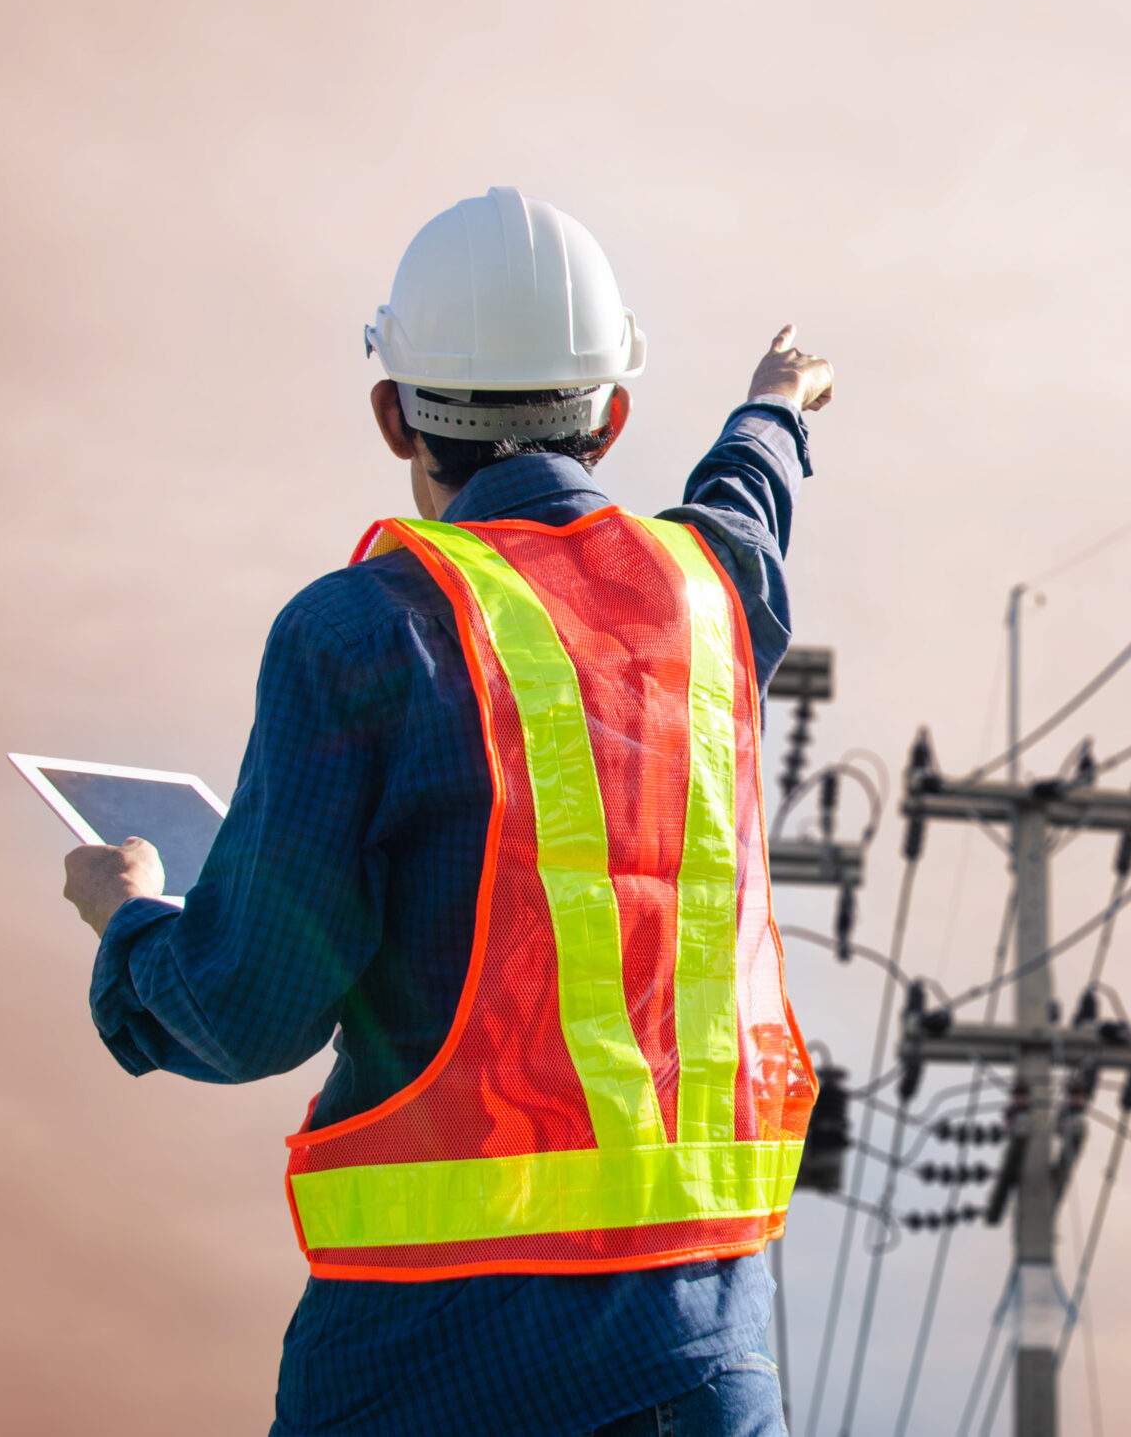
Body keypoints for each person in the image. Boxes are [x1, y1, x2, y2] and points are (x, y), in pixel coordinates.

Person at [59, 186, 833, 1437]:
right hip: (701, 1358)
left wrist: (131, 923)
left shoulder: (357, 634)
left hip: (425, 1365)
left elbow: (246, 1012)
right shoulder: (712, 602)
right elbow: (746, 508)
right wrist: (775, 407)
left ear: (390, 414)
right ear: (615, 411)